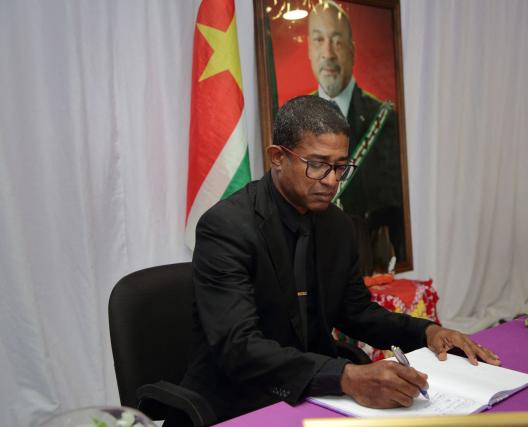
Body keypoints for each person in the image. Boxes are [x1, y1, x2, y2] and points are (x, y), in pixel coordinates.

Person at [176, 96, 500, 424]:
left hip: (315, 390)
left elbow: (356, 312)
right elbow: (238, 347)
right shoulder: (227, 227)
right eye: (317, 164)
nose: (332, 180)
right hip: (238, 400)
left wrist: (426, 332)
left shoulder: (338, 225)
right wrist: (345, 376)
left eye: (340, 166)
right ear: (277, 157)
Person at [307, 0, 405, 269]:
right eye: (318, 40)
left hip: (369, 261)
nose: (328, 53)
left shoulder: (385, 119)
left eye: (337, 42)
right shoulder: (294, 120)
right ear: (308, 49)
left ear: (352, 51)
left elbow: (395, 207)